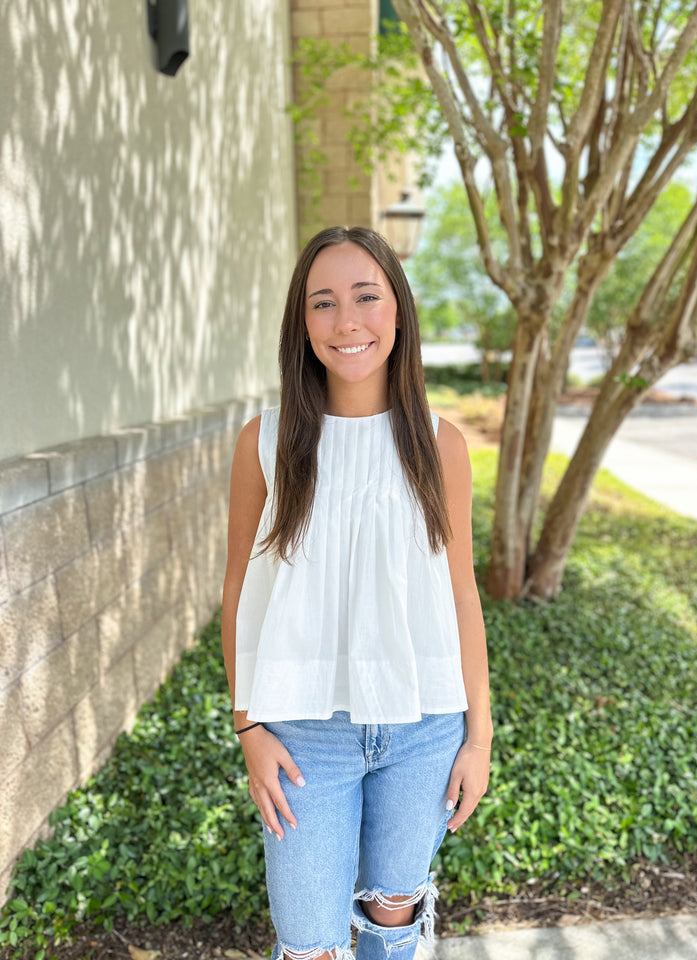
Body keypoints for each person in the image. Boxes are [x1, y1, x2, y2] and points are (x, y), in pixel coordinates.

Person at [221, 226, 492, 960]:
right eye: (324, 303)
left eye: (367, 297)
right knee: (309, 942)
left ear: (398, 313)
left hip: (425, 726)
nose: (347, 322)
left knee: (393, 916)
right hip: (304, 738)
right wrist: (249, 727)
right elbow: (240, 590)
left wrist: (479, 737)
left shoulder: (441, 446)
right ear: (301, 325)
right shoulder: (265, 441)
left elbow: (461, 593)